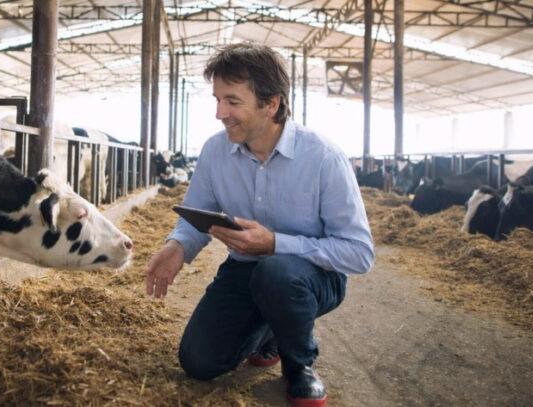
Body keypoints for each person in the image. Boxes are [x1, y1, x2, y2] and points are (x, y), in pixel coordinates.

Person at [144, 43, 374, 407]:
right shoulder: (215, 152)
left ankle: (300, 366)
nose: (220, 113)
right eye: (217, 99)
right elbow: (195, 215)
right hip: (245, 272)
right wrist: (177, 247)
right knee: (199, 362)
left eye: (232, 101)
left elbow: (359, 254)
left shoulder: (324, 158)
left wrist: (276, 244)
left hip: (312, 277)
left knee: (278, 274)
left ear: (272, 104)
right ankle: (270, 332)